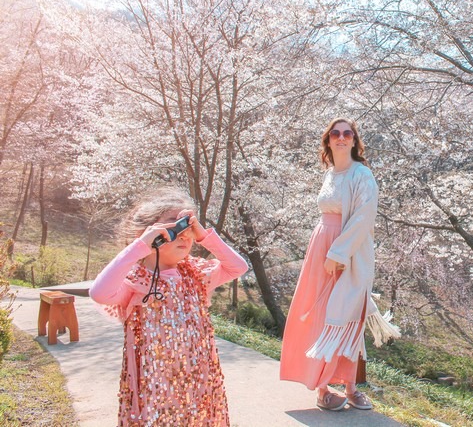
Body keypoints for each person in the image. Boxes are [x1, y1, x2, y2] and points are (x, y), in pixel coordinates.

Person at [89, 188, 248, 426]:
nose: (185, 236)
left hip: (197, 384)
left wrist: (205, 236)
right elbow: (99, 292)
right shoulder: (136, 282)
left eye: (188, 229)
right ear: (150, 233)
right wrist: (139, 246)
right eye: (174, 229)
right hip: (152, 387)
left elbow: (238, 267)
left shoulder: (196, 274)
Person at [280, 117, 400, 412]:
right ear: (328, 140)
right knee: (320, 313)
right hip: (321, 247)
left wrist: (339, 254)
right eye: (336, 133)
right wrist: (325, 252)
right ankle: (322, 387)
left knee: (347, 318)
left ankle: (351, 386)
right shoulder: (331, 173)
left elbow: (363, 217)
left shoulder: (362, 175)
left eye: (348, 133)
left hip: (348, 252)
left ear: (355, 140)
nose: (341, 137)